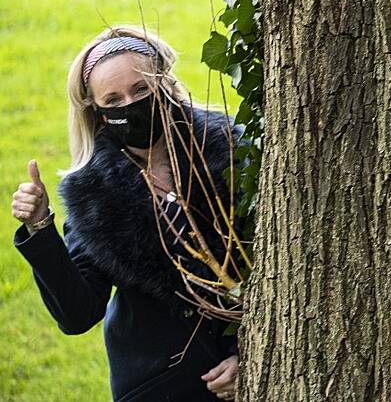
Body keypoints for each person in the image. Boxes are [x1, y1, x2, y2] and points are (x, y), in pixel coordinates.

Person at [10, 26, 241, 401]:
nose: (130, 105)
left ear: (164, 85)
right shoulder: (96, 196)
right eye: (113, 100)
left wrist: (248, 356)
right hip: (157, 386)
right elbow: (78, 313)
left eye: (141, 90)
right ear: (100, 116)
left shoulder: (232, 154)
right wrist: (40, 227)